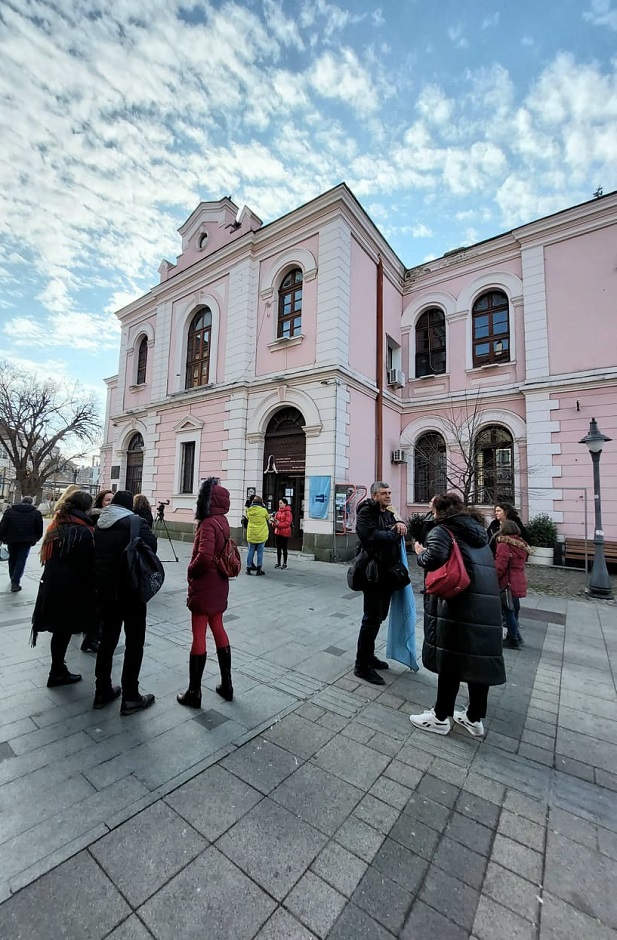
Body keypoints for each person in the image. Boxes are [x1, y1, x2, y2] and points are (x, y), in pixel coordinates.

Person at [409, 492, 505, 737]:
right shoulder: (478, 532)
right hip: (485, 603)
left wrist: (420, 552)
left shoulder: (443, 530)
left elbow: (435, 558)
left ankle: (440, 716)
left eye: (432, 509)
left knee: (450, 659)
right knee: (477, 659)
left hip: (457, 602)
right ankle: (474, 717)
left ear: (439, 511)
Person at [93, 490, 158, 715]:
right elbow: (152, 549)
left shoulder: (99, 523)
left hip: (106, 591)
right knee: (134, 642)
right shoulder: (135, 523)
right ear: (129, 505)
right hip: (131, 590)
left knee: (108, 641)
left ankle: (101, 690)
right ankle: (131, 695)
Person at [178, 477, 234, 707]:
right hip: (219, 583)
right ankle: (227, 685)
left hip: (205, 583)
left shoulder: (208, 523)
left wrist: (191, 569)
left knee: (199, 633)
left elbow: (204, 555)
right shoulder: (222, 520)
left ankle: (194, 692)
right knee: (218, 627)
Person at [31, 491, 95, 687]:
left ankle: (57, 668)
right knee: (64, 630)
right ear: (86, 508)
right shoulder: (81, 530)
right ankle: (57, 670)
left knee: (60, 631)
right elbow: (88, 564)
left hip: (52, 584)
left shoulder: (57, 524)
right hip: (70, 589)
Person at [354, 481, 408, 686]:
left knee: (378, 617)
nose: (388, 496)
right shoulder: (366, 512)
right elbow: (371, 536)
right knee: (371, 619)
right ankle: (361, 666)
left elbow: (399, 527)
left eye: (389, 492)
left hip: (386, 573)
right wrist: (394, 533)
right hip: (372, 574)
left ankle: (369, 656)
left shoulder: (388, 512)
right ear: (374, 495)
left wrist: (400, 524)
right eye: (384, 493)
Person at [495, 519, 530, 650]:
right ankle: (517, 636)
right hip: (518, 578)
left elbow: (501, 565)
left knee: (508, 610)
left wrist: (493, 577)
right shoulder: (521, 544)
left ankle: (513, 638)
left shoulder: (504, 544)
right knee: (513, 608)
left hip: (507, 581)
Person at [0, 495, 44, 592]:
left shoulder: (10, 511)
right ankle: (15, 582)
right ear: (31, 503)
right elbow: (39, 529)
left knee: (12, 558)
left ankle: (13, 578)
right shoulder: (36, 513)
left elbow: (3, 526)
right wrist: (36, 539)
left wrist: (1, 537)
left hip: (11, 539)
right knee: (21, 559)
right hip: (26, 541)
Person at [245, 495, 270, 576]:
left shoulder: (248, 510)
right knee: (260, 552)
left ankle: (248, 569)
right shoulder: (263, 510)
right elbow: (268, 517)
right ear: (261, 502)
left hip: (252, 534)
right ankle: (259, 570)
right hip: (261, 534)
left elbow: (248, 518)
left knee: (250, 551)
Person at [272, 498, 293, 569]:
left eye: (281, 503)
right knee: (278, 548)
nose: (279, 504)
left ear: (285, 504)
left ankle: (285, 563)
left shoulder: (288, 512)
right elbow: (275, 520)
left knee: (284, 548)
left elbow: (287, 523)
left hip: (285, 532)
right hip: (278, 532)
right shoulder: (278, 512)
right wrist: (273, 523)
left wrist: (278, 524)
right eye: (279, 503)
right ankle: (278, 562)